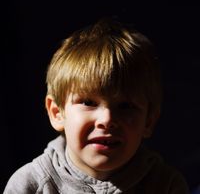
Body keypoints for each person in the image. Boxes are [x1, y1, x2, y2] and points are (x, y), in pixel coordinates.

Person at [3, 17, 189, 193]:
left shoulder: (166, 186)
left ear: (148, 120)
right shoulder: (31, 185)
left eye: (125, 106)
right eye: (88, 103)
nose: (107, 120)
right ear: (57, 112)